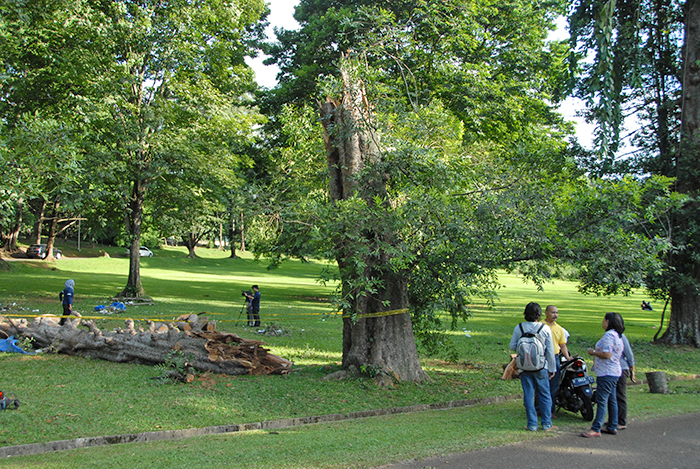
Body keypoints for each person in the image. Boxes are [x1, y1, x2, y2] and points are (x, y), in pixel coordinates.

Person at [510, 302, 557, 432]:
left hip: (524, 366)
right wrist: (552, 368)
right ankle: (547, 423)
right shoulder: (544, 328)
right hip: (541, 366)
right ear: (539, 314)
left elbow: (512, 345)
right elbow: (550, 351)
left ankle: (532, 424)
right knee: (545, 395)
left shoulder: (519, 328)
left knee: (528, 395)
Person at [581, 312, 624, 437]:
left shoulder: (609, 336)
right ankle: (612, 425)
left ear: (608, 321)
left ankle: (596, 428)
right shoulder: (618, 335)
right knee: (612, 399)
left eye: (603, 320)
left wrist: (593, 352)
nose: (602, 322)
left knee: (602, 400)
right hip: (614, 371)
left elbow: (606, 354)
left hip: (606, 372)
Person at [605, 313, 635, 431]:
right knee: (612, 396)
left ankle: (621, 421)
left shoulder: (621, 337)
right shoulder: (611, 336)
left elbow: (629, 355)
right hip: (613, 369)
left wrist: (632, 369)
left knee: (619, 395)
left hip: (621, 368)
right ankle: (614, 419)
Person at [543, 305, 571, 416]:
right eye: (553, 312)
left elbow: (563, 345)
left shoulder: (559, 329)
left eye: (556, 313)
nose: (555, 315)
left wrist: (568, 357)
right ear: (546, 313)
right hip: (543, 357)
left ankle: (550, 410)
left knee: (554, 385)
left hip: (554, 358)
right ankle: (539, 408)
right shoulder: (541, 325)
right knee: (542, 384)